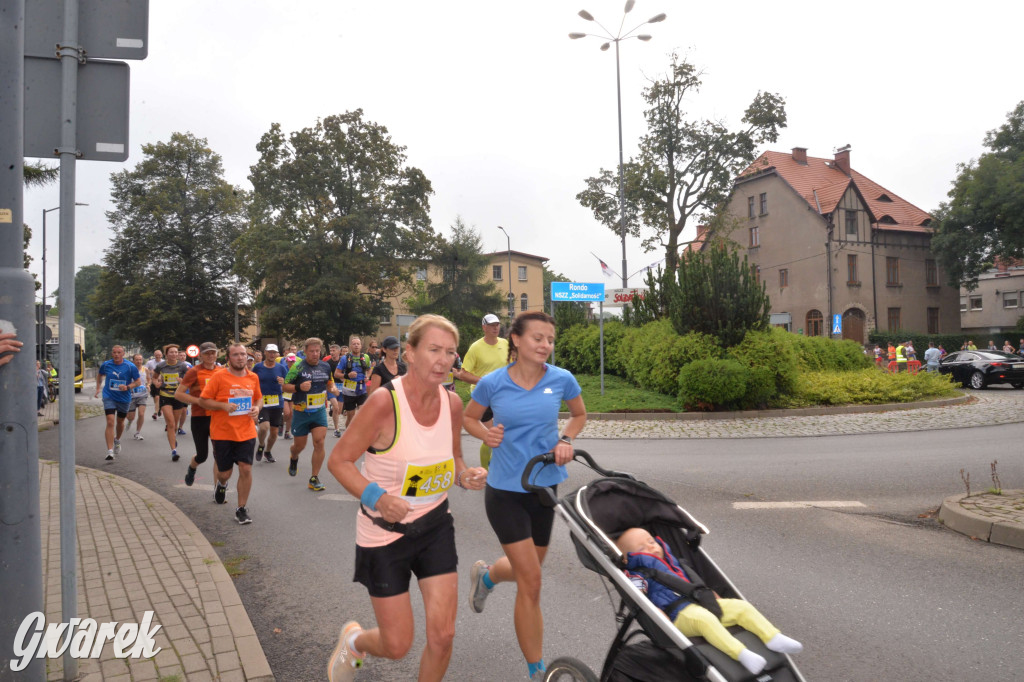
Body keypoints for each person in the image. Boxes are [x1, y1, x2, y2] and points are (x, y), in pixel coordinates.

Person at [325, 314, 487, 682]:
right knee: (398, 645)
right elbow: (340, 461)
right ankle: (355, 642)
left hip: (434, 526)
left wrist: (464, 475)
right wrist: (378, 498)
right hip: (384, 532)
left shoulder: (453, 404)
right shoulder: (384, 403)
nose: (444, 360)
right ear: (410, 353)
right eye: (434, 350)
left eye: (450, 352)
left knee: (443, 636)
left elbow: (454, 457)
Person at [463, 311, 587, 681]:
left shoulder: (562, 379)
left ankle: (486, 577)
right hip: (504, 491)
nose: (545, 345)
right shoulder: (493, 382)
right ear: (515, 340)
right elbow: (470, 418)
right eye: (537, 338)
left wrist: (566, 439)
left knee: (525, 570)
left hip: (545, 487)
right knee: (531, 581)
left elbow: (579, 415)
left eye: (550, 339)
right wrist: (485, 435)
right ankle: (537, 671)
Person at [614, 528, 803, 676]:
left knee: (741, 607)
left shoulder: (674, 562)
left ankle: (772, 637)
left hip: (702, 602)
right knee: (705, 620)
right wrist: (662, 621)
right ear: (628, 557)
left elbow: (694, 582)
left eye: (652, 542)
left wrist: (712, 597)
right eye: (642, 548)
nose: (652, 547)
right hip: (678, 615)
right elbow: (641, 598)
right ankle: (741, 654)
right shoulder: (638, 574)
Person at [199, 342, 262, 524]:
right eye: (236, 355)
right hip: (223, 433)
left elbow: (258, 399)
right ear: (228, 358)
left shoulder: (253, 377)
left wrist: (257, 409)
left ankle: (241, 509)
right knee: (225, 473)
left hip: (246, 431)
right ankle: (222, 484)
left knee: (246, 468)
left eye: (243, 354)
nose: (240, 358)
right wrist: (223, 406)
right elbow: (203, 401)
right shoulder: (219, 377)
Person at [284, 337, 341, 491]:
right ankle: (293, 456)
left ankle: (314, 478)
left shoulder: (325, 366)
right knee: (299, 446)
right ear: (305, 352)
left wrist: (334, 389)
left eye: (317, 351)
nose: (315, 354)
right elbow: (285, 386)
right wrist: (298, 387)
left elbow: (329, 383)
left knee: (319, 442)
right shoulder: (297, 367)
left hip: (318, 411)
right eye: (312, 351)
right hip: (301, 412)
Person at [459, 313, 511, 469]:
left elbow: (513, 366)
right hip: (484, 397)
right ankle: (486, 472)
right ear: (484, 327)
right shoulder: (476, 348)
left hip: (503, 396)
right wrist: (484, 382)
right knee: (490, 437)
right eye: (491, 325)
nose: (495, 328)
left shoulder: (505, 344)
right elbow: (463, 373)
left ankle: (499, 465)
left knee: (504, 435)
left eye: (497, 325)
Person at [176, 342, 223, 487]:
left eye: (213, 353)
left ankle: (218, 489)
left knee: (219, 455)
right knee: (202, 455)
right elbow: (179, 394)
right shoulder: (194, 371)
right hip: (200, 418)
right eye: (207, 353)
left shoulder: (222, 371)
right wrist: (199, 401)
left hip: (217, 417)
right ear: (201, 355)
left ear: (216, 354)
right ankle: (192, 468)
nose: (210, 356)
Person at [95, 345, 142, 461]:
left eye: (119, 352)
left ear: (123, 354)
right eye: (114, 352)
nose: (116, 355)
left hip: (124, 398)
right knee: (110, 421)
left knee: (120, 422)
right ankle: (110, 451)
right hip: (109, 396)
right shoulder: (106, 364)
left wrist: (127, 387)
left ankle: (117, 440)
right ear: (112, 354)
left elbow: (138, 382)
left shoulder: (130, 367)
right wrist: (98, 388)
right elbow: (100, 375)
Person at [153, 344, 190, 461]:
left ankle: (173, 437)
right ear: (166, 354)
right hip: (165, 396)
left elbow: (189, 381)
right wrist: (156, 383)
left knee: (175, 423)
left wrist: (182, 381)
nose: (174, 354)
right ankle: (174, 451)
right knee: (170, 423)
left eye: (176, 352)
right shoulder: (161, 366)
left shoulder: (183, 366)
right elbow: (154, 377)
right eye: (171, 352)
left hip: (178, 396)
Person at [254, 343, 288, 463]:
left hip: (277, 402)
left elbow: (287, 386)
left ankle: (267, 451)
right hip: (262, 401)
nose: (272, 354)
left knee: (273, 433)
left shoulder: (281, 368)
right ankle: (261, 444)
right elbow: (252, 381)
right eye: (270, 352)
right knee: (264, 427)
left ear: (277, 354)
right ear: (265, 353)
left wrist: (283, 383)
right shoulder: (257, 367)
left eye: (274, 352)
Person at [339, 335, 372, 429]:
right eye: (354, 344)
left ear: (361, 346)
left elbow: (370, 369)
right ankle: (347, 432)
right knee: (351, 415)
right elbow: (337, 374)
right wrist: (347, 375)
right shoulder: (345, 358)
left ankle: (358, 433)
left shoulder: (365, 357)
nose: (356, 346)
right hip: (349, 389)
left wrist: (368, 376)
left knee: (363, 412)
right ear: (350, 346)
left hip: (362, 389)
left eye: (358, 344)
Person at [125, 354, 151, 440]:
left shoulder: (145, 369)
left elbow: (148, 379)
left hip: (142, 395)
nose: (139, 361)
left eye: (140, 359)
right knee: (131, 417)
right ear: (133, 361)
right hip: (131, 395)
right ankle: (129, 421)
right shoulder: (129, 370)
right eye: (137, 360)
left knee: (141, 413)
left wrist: (148, 385)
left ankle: (137, 432)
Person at [326, 343, 345, 437]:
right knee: (336, 407)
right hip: (332, 386)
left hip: (342, 386)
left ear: (339, 351)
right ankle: (336, 429)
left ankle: (332, 409)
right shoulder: (327, 363)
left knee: (339, 410)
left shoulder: (343, 361)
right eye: (331, 351)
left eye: (334, 351)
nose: (332, 352)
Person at [145, 349, 163, 420]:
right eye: (156, 355)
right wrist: (150, 372)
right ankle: (159, 408)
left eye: (159, 355)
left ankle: (156, 412)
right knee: (155, 397)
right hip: (153, 382)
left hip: (160, 382)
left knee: (157, 397)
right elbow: (145, 369)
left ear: (161, 355)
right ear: (154, 355)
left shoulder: (164, 362)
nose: (158, 356)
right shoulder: (150, 362)